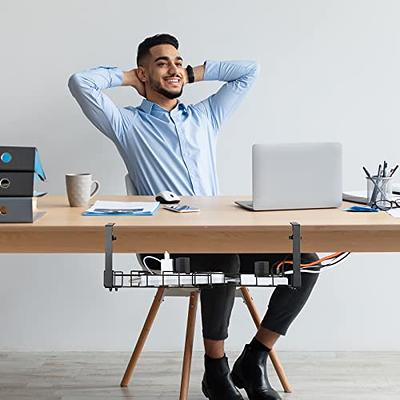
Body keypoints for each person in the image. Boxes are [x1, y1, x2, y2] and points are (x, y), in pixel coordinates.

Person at [69, 33, 320, 400]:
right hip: (169, 248)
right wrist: (128, 77)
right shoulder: (127, 124)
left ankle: (254, 357)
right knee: (224, 259)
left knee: (307, 263)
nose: (174, 69)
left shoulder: (205, 116)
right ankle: (215, 370)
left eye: (178, 61)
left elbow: (249, 72)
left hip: (222, 234)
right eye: (162, 63)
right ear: (143, 73)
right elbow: (80, 83)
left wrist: (192, 72)